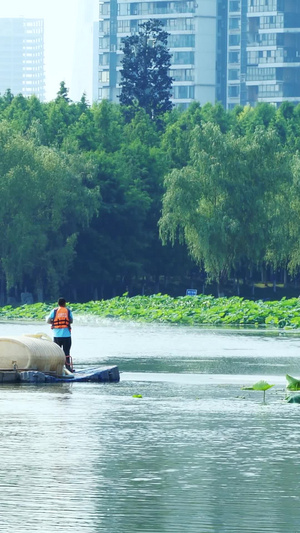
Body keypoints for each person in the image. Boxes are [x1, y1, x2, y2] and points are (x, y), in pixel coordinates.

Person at [46, 298, 74, 372]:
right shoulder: (68, 311)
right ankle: (68, 368)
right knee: (66, 352)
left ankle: (56, 368)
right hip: (66, 335)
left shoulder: (54, 311)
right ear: (64, 303)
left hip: (56, 335)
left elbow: (48, 321)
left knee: (56, 353)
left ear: (58, 303)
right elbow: (71, 321)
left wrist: (54, 323)